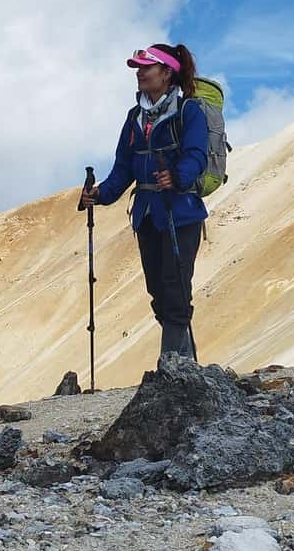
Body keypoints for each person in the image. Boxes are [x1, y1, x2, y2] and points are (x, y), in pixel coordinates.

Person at [81, 43, 208, 358]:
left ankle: (172, 366)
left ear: (167, 73)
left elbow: (197, 155)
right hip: (148, 215)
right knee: (158, 292)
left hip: (181, 212)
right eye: (138, 68)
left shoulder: (189, 110)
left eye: (145, 67)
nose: (139, 73)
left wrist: (178, 177)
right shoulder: (135, 117)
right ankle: (185, 364)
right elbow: (124, 167)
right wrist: (102, 193)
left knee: (175, 288)